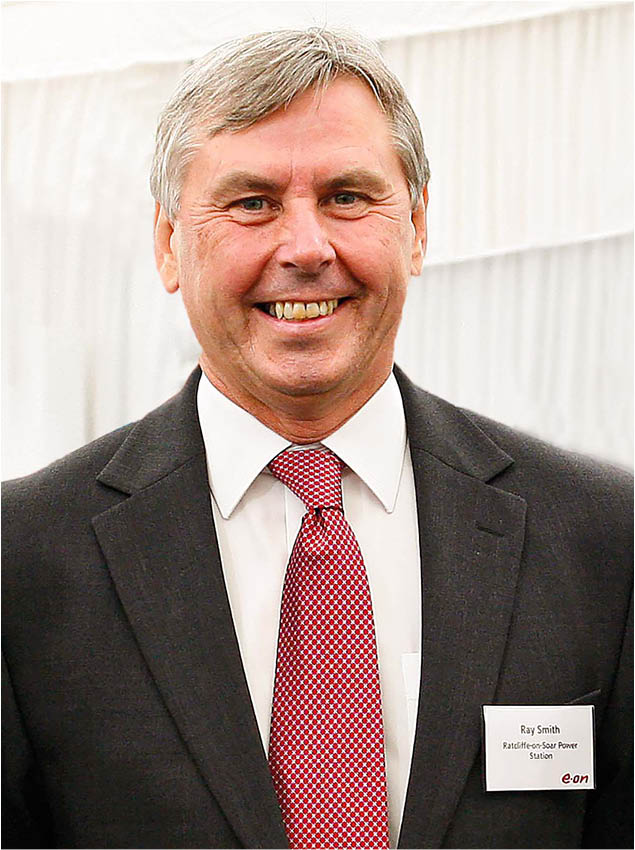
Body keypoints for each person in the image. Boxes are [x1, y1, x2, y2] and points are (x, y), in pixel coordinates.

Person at [2, 27, 632, 850]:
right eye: (251, 202)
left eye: (345, 197)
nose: (305, 249)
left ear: (415, 227)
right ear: (167, 243)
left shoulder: (600, 540)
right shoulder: (22, 560)